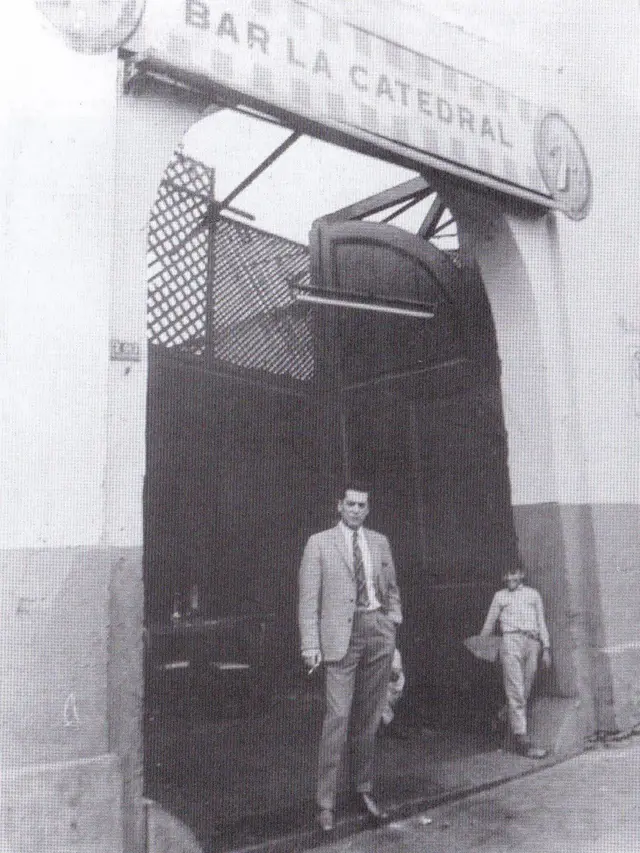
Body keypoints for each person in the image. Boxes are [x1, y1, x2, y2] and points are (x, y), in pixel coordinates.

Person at [298, 484, 402, 833]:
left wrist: (392, 620)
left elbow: (391, 587)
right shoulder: (319, 543)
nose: (356, 510)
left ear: (368, 509)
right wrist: (310, 645)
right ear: (339, 506)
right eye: (351, 504)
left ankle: (363, 789)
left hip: (378, 630)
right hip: (340, 638)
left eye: (362, 505)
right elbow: (308, 600)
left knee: (369, 717)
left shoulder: (380, 541)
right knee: (338, 717)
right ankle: (325, 804)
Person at [480, 565, 551, 759]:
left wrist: (546, 648)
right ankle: (522, 741)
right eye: (506, 574)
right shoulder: (500, 596)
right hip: (510, 641)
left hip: (532, 642)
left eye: (513, 573)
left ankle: (503, 715)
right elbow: (489, 623)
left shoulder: (533, 594)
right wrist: (482, 646)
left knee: (525, 689)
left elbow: (541, 622)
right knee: (516, 690)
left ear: (521, 574)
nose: (509, 578)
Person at [378, 647, 409, 739]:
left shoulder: (394, 652)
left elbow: (394, 676)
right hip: (379, 685)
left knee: (382, 701)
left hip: (393, 688)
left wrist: (378, 672)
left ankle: (391, 725)